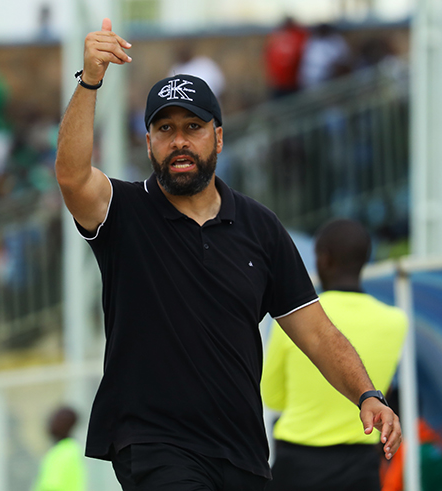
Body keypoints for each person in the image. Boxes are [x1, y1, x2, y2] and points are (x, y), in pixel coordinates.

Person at [55, 18, 402, 491]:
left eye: (193, 127)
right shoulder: (125, 210)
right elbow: (73, 177)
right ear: (150, 142)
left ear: (217, 138)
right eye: (165, 128)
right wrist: (90, 79)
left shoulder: (260, 226)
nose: (179, 140)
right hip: (156, 445)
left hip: (243, 454)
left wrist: (367, 394)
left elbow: (316, 332)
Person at [262, 219, 407, 491]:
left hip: (299, 466)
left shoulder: (296, 318)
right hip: (362, 468)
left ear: (324, 259)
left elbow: (271, 395)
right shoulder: (395, 321)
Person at [32, 406, 87, 491]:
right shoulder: (71, 448)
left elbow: (51, 486)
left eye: (57, 421)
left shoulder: (63, 452)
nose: (51, 424)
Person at [264, 16, 309, 99]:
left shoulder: (300, 35)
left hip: (295, 84)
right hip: (278, 83)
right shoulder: (277, 36)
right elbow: (268, 55)